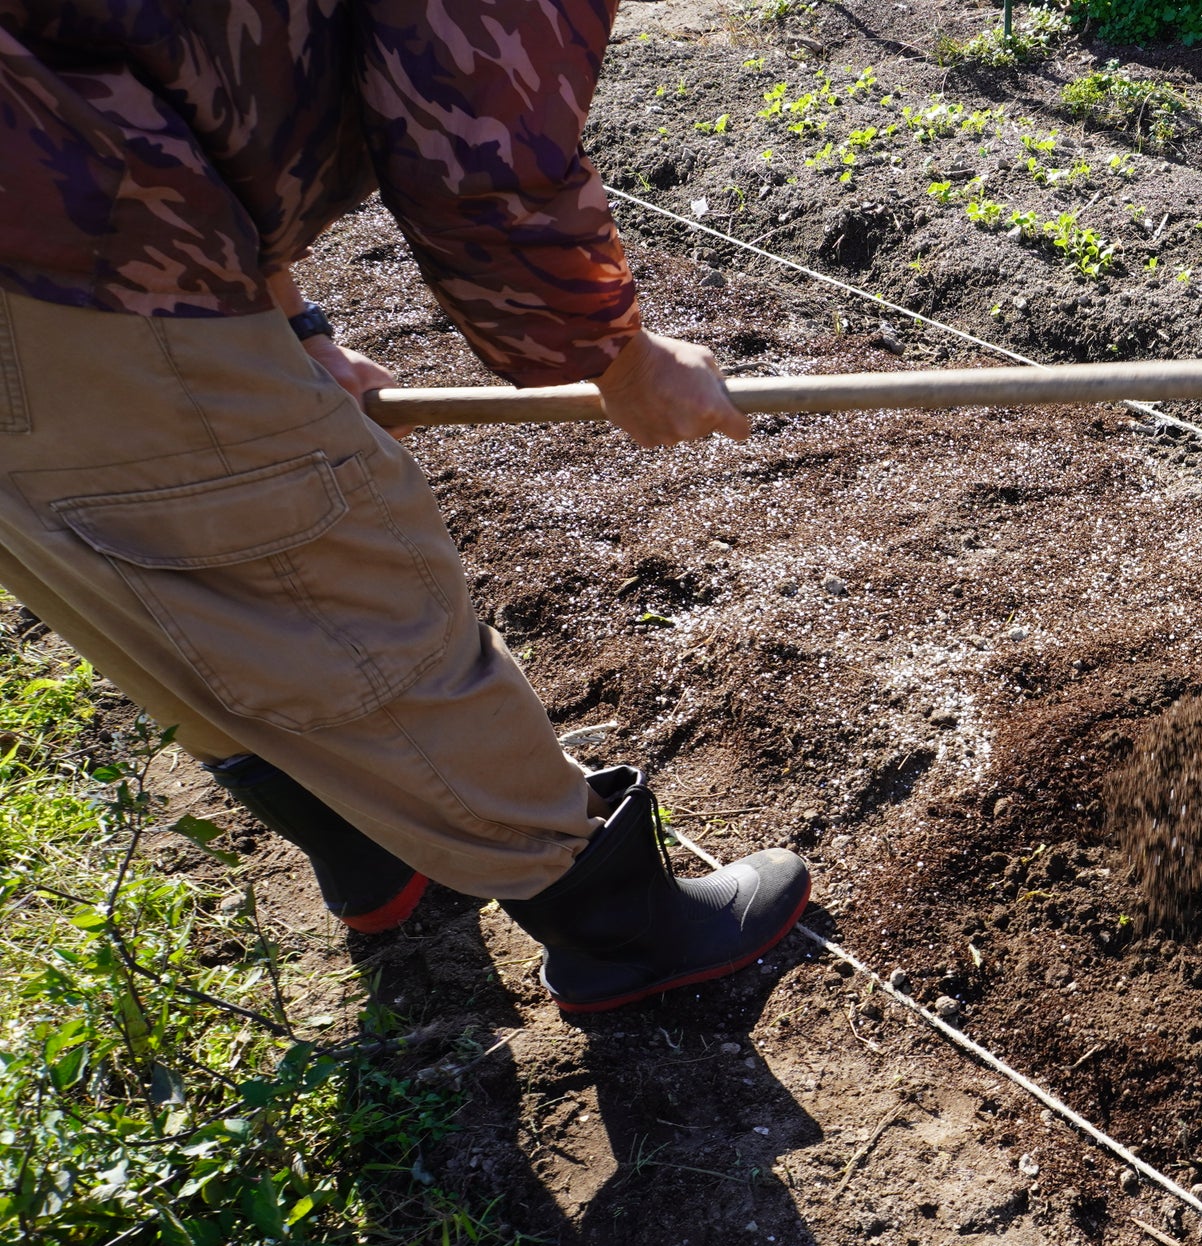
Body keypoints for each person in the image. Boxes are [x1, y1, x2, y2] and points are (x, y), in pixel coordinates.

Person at [0, 0, 810, 1013]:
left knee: (154, 584)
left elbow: (158, 59)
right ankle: (623, 930)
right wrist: (619, 357)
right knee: (331, 565)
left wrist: (296, 328)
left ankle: (379, 863)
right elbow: (478, 149)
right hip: (68, 243)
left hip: (52, 207)